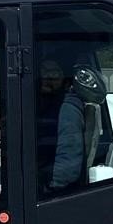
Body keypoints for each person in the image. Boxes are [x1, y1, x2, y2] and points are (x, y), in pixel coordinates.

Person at [37, 56, 87, 192]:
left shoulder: (66, 110)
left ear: (65, 80)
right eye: (43, 71)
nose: (48, 76)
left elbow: (67, 166)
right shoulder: (40, 108)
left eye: (54, 72)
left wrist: (45, 188)